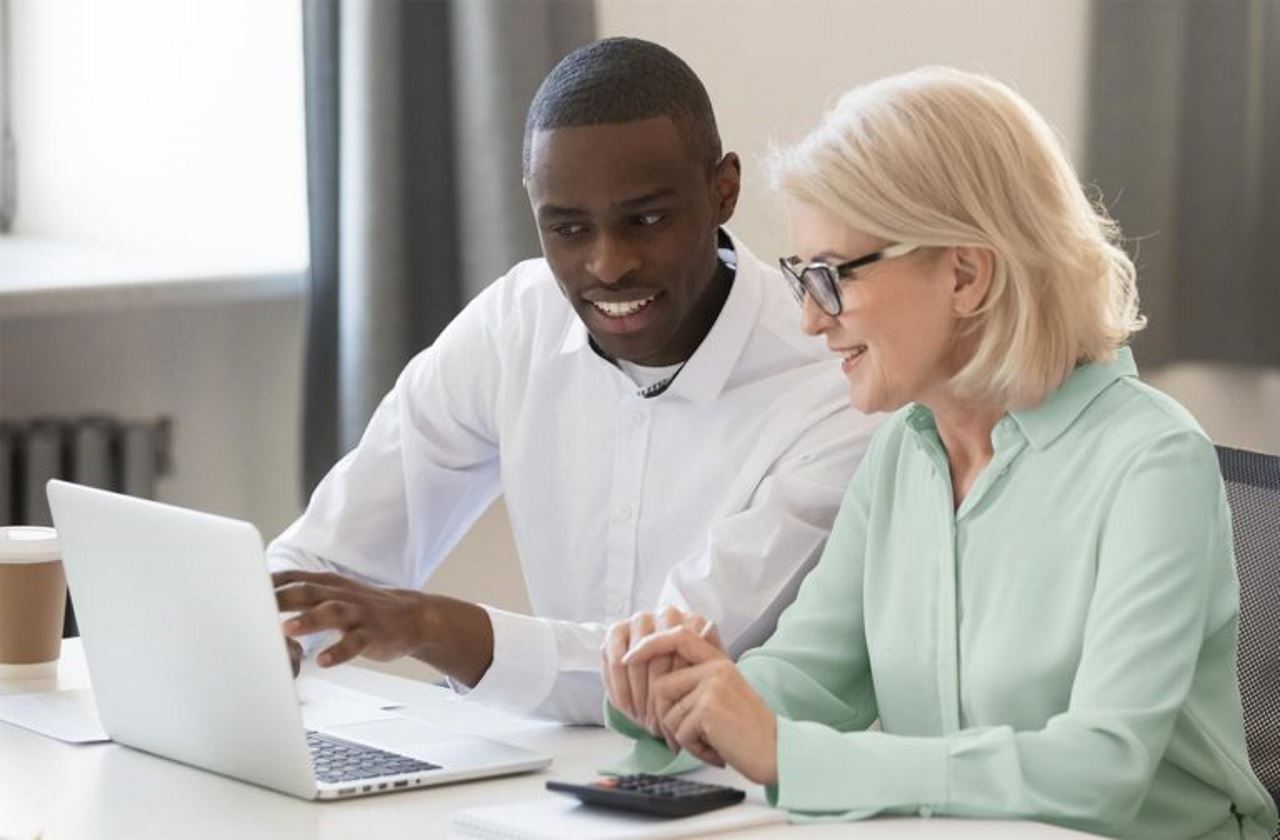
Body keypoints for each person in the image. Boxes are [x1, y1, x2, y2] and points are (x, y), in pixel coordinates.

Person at [604, 67, 1278, 838]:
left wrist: (791, 755)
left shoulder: (1152, 464)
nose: (810, 323)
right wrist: (682, 698)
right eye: (802, 279)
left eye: (829, 278)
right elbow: (811, 676)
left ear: (965, 273)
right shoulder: (903, 452)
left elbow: (1101, 770)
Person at [266, 37, 880, 724]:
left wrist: (429, 626)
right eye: (567, 228)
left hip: (734, 792)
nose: (608, 265)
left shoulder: (832, 384)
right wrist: (263, 632)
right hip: (549, 771)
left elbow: (671, 663)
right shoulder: (516, 321)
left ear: (723, 190)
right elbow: (328, 555)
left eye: (646, 220)